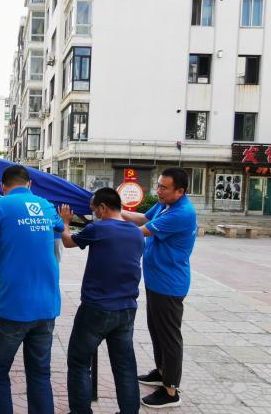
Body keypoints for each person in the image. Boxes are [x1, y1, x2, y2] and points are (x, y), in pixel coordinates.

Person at [0, 165, 64, 414]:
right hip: (47, 308)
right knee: (40, 374)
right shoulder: (46, 205)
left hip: (12, 309)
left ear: (2, 186)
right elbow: (61, 230)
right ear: (30, 184)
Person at [59, 188, 144, 414]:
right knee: (125, 367)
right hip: (126, 309)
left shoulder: (98, 228)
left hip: (96, 309)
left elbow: (68, 242)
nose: (93, 214)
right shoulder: (137, 233)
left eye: (94, 209)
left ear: (103, 207)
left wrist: (65, 222)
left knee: (79, 362)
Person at [121, 167, 197, 409]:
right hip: (157, 281)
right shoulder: (165, 205)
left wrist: (110, 222)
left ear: (180, 191)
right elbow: (144, 218)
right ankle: (161, 371)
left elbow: (140, 232)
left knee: (169, 336)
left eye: (164, 188)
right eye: (158, 186)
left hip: (169, 284)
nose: (158, 191)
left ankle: (171, 391)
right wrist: (117, 211)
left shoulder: (181, 213)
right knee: (156, 330)